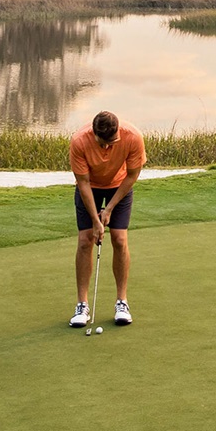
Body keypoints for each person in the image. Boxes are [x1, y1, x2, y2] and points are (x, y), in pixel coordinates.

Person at [69, 109, 147, 328]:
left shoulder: (133, 137)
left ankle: (122, 302)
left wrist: (109, 209)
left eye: (111, 143)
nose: (106, 148)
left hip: (119, 187)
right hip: (90, 188)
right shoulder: (79, 141)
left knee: (120, 240)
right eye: (102, 143)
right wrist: (96, 220)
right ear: (94, 134)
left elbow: (132, 175)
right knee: (85, 241)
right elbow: (83, 183)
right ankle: (82, 305)